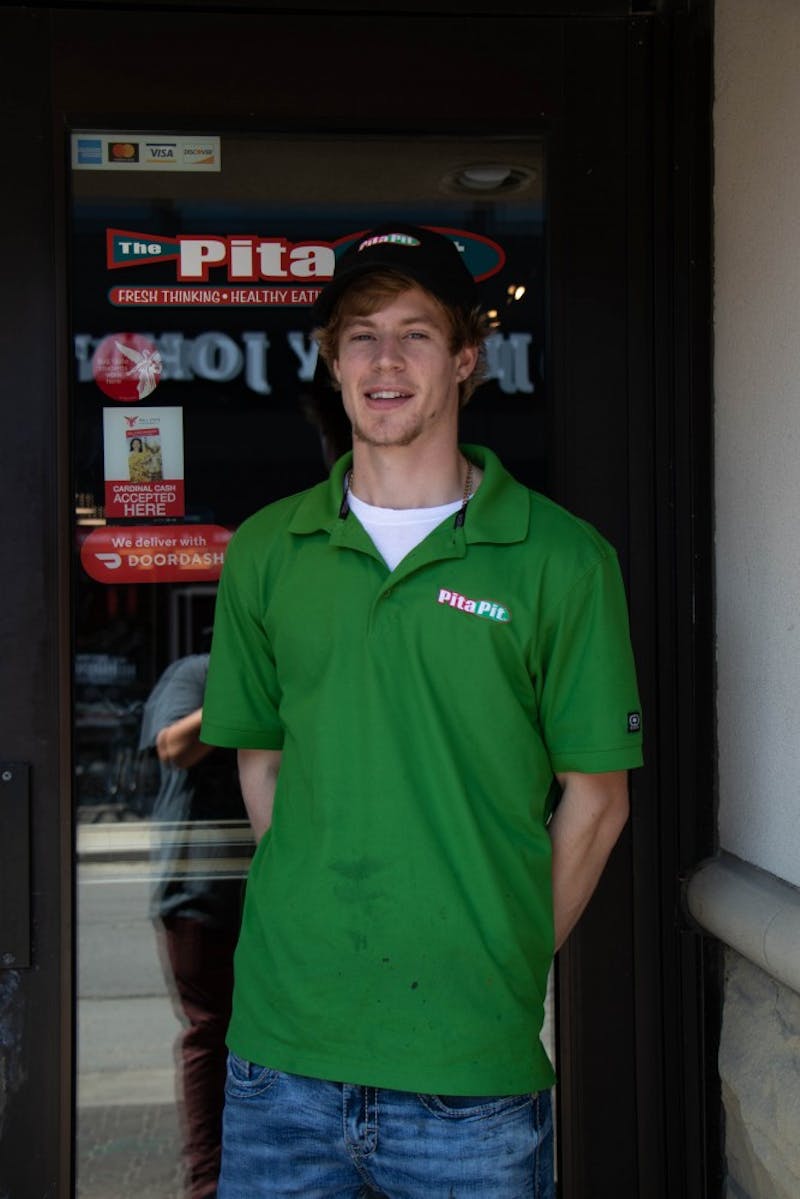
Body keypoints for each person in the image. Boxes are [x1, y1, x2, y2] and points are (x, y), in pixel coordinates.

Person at [201, 223, 643, 1198]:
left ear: (465, 359)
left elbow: (596, 800)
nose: (385, 360)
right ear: (329, 360)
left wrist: (499, 954)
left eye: (414, 333)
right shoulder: (270, 549)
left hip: (467, 1079)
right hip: (280, 1062)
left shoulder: (560, 560)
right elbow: (263, 762)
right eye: (360, 334)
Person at [140, 653, 249, 1199]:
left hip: (271, 892)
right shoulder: (198, 673)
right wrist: (244, 690)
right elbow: (173, 748)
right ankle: (208, 1182)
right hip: (199, 891)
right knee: (211, 1033)